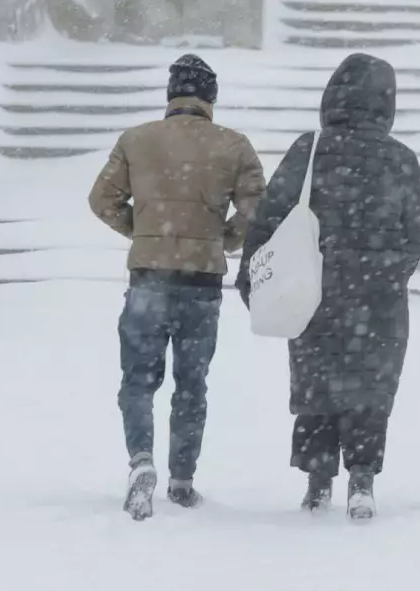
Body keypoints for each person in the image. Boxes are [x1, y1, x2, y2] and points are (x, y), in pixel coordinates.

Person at [235, 52, 420, 521]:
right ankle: (361, 478)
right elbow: (417, 230)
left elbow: (271, 217)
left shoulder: (311, 149)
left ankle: (317, 481)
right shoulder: (400, 159)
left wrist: (251, 278)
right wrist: (386, 272)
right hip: (377, 300)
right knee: (370, 387)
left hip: (313, 291)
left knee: (316, 385)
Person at [89, 54, 265, 521]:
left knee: (138, 381)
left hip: (148, 278)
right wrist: (219, 239)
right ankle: (183, 481)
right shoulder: (235, 146)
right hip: (202, 283)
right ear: (210, 98)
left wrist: (144, 232)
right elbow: (256, 212)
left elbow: (100, 200)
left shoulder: (136, 140)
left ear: (171, 96)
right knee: (191, 384)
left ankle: (141, 460)